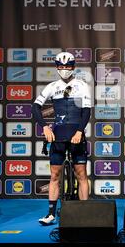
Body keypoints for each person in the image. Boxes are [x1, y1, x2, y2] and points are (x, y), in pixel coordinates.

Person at [33, 52, 92, 225]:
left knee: (81, 174)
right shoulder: (52, 86)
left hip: (76, 134)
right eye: (61, 67)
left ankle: (85, 212)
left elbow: (87, 111)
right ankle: (51, 214)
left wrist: (80, 131)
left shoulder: (82, 85)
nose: (64, 70)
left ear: (73, 67)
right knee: (54, 175)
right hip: (58, 135)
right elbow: (35, 107)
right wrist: (44, 126)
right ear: (57, 67)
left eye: (68, 67)